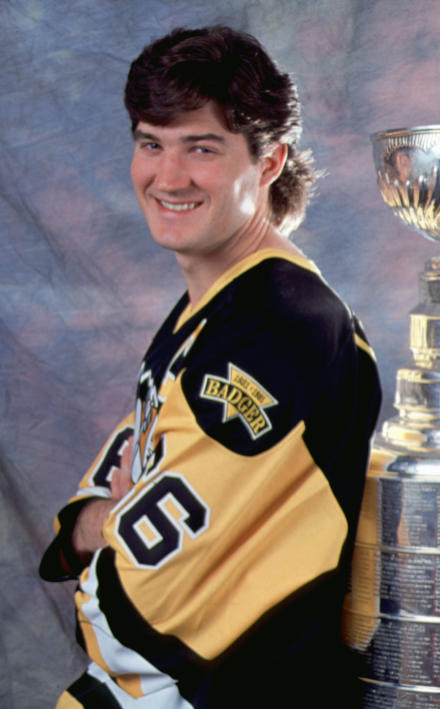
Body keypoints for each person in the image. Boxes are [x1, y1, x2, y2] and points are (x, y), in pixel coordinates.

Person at [39, 26, 381, 707]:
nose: (168, 176)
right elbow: (80, 521)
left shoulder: (283, 325)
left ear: (270, 161)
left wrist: (103, 525)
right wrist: (101, 521)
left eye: (202, 148)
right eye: (151, 143)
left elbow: (146, 604)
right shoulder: (215, 310)